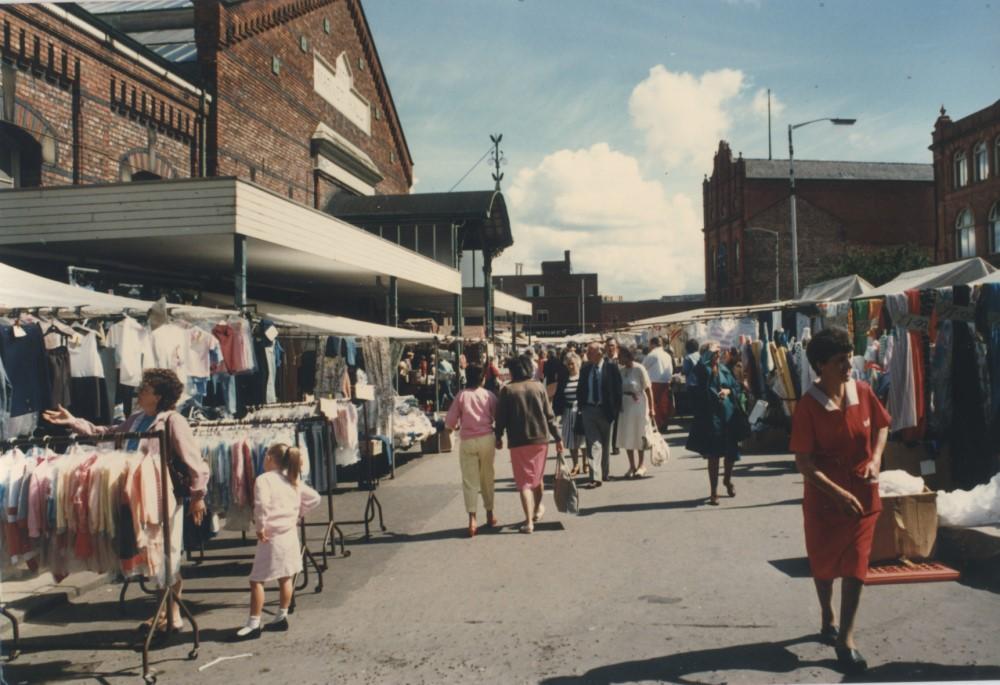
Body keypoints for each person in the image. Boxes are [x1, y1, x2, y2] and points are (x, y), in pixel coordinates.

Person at [43, 368, 209, 632]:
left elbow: (194, 461)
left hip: (165, 496)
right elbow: (105, 433)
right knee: (152, 552)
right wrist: (73, 421)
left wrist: (198, 496)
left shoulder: (172, 421)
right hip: (137, 495)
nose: (139, 393)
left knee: (168, 552)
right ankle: (164, 610)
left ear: (158, 396)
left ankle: (172, 612)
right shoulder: (137, 418)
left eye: (145, 390)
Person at [790, 327, 890, 675]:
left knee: (857, 563)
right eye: (840, 360)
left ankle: (845, 639)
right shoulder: (808, 407)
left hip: (863, 496)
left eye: (849, 357)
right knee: (823, 565)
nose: (849, 365)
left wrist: (876, 458)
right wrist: (838, 492)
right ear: (821, 365)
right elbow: (803, 463)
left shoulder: (862, 391)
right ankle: (827, 615)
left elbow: (881, 425)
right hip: (825, 500)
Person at [234, 443, 320, 640]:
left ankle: (254, 623)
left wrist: (260, 527)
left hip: (271, 536)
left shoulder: (264, 480)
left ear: (270, 458)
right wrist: (297, 514)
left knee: (257, 579)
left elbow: (261, 505)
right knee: (285, 576)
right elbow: (315, 498)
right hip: (289, 534)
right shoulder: (292, 479)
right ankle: (281, 616)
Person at [494, 356, 563, 533]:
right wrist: (558, 437)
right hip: (540, 439)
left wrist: (498, 436)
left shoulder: (507, 390)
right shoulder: (539, 387)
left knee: (524, 482)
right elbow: (549, 415)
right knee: (537, 478)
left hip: (518, 441)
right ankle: (538, 508)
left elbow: (500, 417)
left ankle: (529, 522)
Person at [685, 342, 744, 505]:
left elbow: (735, 387)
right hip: (711, 418)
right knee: (714, 455)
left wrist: (727, 391)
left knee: (731, 453)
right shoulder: (700, 370)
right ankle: (714, 491)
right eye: (714, 353)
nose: (718, 355)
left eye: (718, 352)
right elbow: (692, 387)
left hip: (728, 416)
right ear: (706, 354)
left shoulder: (724, 369)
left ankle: (727, 480)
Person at [444, 365, 499, 537]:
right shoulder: (489, 395)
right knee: (487, 477)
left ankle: (472, 519)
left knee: (470, 481)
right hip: (486, 439)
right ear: (482, 378)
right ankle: (490, 514)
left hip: (467, 441)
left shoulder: (461, 396)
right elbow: (498, 416)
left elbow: (450, 423)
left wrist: (450, 428)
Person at [577, 342, 622, 487]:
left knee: (605, 443)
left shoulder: (611, 368)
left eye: (590, 352)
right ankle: (595, 477)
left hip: (606, 410)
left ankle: (604, 473)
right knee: (593, 444)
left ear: (599, 353)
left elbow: (618, 390)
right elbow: (581, 388)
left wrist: (615, 411)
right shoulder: (585, 369)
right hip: (589, 410)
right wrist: (581, 407)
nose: (587, 355)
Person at [617, 346, 656, 478]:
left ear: (627, 356)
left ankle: (641, 465)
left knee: (639, 434)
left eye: (620, 355)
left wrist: (651, 408)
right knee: (627, 434)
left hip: (638, 404)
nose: (618, 358)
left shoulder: (639, 368)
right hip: (625, 405)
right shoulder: (621, 371)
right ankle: (632, 466)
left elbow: (648, 388)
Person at [552, 352, 585, 475]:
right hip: (568, 412)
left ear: (578, 363)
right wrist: (557, 412)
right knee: (571, 440)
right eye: (568, 364)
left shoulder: (583, 377)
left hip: (580, 412)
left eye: (572, 364)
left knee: (583, 440)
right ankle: (576, 464)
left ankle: (585, 462)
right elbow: (558, 395)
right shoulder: (564, 378)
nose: (570, 366)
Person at [642, 336, 675, 432]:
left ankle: (656, 424)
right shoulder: (667, 355)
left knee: (654, 404)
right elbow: (671, 369)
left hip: (654, 383)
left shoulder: (652, 355)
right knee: (664, 405)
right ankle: (663, 424)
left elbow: (643, 367)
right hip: (666, 382)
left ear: (652, 344)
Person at [604, 337, 621, 455]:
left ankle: (616, 445)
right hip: (605, 395)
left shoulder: (620, 361)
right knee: (605, 422)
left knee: (617, 423)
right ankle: (605, 445)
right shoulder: (603, 360)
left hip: (618, 394)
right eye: (608, 346)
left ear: (616, 347)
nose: (610, 348)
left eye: (612, 345)